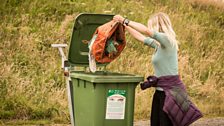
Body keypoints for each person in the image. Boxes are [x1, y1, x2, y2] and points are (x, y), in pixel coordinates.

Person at [113, 12, 202, 126]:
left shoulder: (167, 41)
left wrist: (125, 20)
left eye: (151, 26)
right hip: (160, 93)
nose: (149, 28)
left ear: (158, 25)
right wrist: (124, 25)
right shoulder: (158, 45)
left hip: (170, 93)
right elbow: (140, 37)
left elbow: (146, 31)